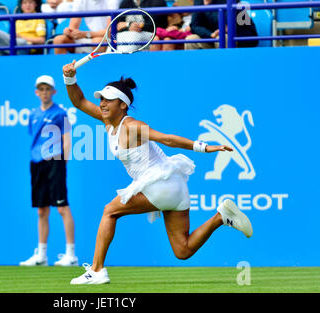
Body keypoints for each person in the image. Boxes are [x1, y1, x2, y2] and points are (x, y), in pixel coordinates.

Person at [61, 60, 253, 284]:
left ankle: (96, 270)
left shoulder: (131, 126)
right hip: (176, 187)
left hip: (160, 183)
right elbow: (79, 101)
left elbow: (167, 139)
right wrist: (69, 77)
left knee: (109, 211)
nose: (102, 103)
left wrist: (205, 147)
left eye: (108, 100)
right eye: (101, 99)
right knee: (183, 250)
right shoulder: (108, 121)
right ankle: (221, 217)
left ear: (122, 105)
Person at [20, 75, 79, 267]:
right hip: (36, 162)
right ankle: (42, 256)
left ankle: (71, 255)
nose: (45, 92)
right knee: (41, 210)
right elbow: (35, 138)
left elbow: (67, 138)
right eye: (41, 89)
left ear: (54, 92)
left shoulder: (60, 113)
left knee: (62, 207)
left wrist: (64, 161)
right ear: (37, 92)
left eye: (48, 89)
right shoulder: (33, 114)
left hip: (55, 161)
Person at [52, 0, 120, 55]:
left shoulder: (112, 1)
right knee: (58, 40)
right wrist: (69, 32)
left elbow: (110, 32)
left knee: (97, 41)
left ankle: (98, 69)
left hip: (107, 39)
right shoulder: (80, 1)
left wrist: (86, 34)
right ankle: (63, 71)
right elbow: (72, 27)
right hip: (89, 37)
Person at [185, 0, 258, 49]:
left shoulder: (235, 2)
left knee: (223, 38)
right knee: (191, 39)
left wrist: (230, 30)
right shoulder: (199, 2)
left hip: (235, 40)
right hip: (211, 38)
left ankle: (226, 69)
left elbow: (250, 33)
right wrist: (211, 34)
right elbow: (195, 25)